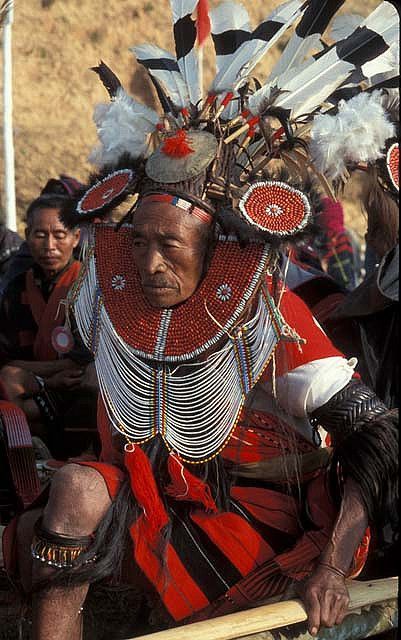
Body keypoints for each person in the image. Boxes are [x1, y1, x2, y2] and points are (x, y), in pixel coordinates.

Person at [5, 2, 398, 639]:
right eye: (139, 242)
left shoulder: (265, 315)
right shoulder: (117, 298)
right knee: (68, 497)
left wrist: (329, 566)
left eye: (172, 247)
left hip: (262, 520)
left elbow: (375, 433)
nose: (151, 264)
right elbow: (116, 386)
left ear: (214, 248)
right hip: (155, 498)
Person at [0, 183, 97, 458]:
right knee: (9, 378)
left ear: (76, 237)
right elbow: (9, 360)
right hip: (43, 385)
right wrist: (52, 379)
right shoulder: (17, 288)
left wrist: (48, 373)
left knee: (93, 380)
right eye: (40, 235)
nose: (50, 246)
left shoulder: (90, 284)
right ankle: (42, 458)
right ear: (27, 236)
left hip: (78, 382)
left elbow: (82, 360)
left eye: (59, 235)